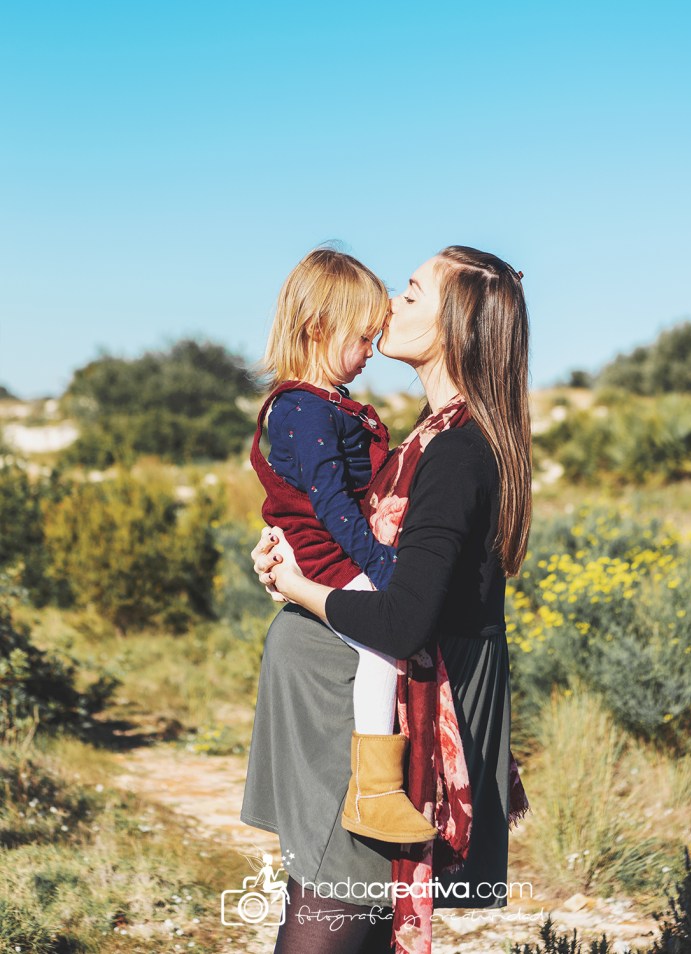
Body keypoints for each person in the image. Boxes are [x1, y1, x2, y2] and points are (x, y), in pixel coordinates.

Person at [243, 246, 532, 954]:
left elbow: (404, 618)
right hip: (346, 716)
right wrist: (285, 544)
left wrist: (301, 589)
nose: (391, 306)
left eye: (410, 292)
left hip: (386, 728)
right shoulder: (430, 438)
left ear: (455, 324)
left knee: (328, 923)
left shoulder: (457, 453)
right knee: (343, 919)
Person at [251, 246, 437, 844]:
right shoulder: (303, 408)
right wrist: (383, 567)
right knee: (382, 649)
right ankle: (374, 791)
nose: (367, 355)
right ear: (318, 329)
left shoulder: (315, 404)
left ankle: (377, 788)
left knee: (381, 648)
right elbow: (332, 506)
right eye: (361, 340)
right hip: (329, 556)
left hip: (325, 552)